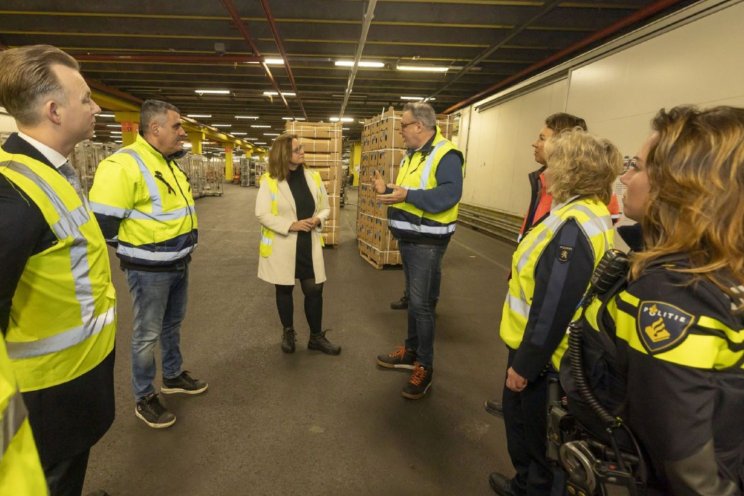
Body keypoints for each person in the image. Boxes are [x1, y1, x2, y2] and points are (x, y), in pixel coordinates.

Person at [563, 106, 744, 495]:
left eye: (637, 166)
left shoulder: (674, 292)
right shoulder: (722, 268)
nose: (624, 177)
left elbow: (683, 459)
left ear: (681, 185)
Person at [0, 44, 116, 495]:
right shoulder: (14, 195)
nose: (96, 106)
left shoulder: (51, 174)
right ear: (53, 110)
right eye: (86, 98)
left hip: (73, 382)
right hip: (43, 398)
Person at [489, 129, 623, 496]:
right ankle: (523, 484)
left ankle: (528, 488)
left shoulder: (572, 225)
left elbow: (554, 304)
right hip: (547, 353)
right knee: (535, 439)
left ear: (569, 169)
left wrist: (525, 365)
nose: (545, 168)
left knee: (537, 443)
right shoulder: (586, 211)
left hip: (544, 359)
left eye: (553, 160)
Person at [89, 99, 206, 429]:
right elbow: (104, 224)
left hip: (179, 261)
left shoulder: (167, 161)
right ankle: (144, 396)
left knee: (172, 324)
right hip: (149, 270)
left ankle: (172, 375)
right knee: (146, 334)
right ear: (154, 129)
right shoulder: (124, 164)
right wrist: (136, 252)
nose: (183, 132)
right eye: (176, 126)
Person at [374, 102, 464, 400]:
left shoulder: (446, 154)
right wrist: (388, 190)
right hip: (410, 237)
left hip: (428, 241)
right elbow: (408, 194)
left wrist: (406, 194)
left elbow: (448, 195)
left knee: (422, 305)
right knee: (414, 301)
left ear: (419, 127)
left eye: (403, 125)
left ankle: (424, 365)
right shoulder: (412, 155)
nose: (400, 131)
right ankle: (411, 350)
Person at [255, 133, 341, 356]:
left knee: (314, 289)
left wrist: (318, 219)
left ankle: (316, 337)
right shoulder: (270, 181)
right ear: (284, 154)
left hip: (307, 242)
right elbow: (262, 214)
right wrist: (291, 225)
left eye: (301, 148)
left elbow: (325, 207)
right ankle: (288, 332)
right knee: (284, 288)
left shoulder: (313, 177)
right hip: (283, 244)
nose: (302, 152)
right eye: (297, 149)